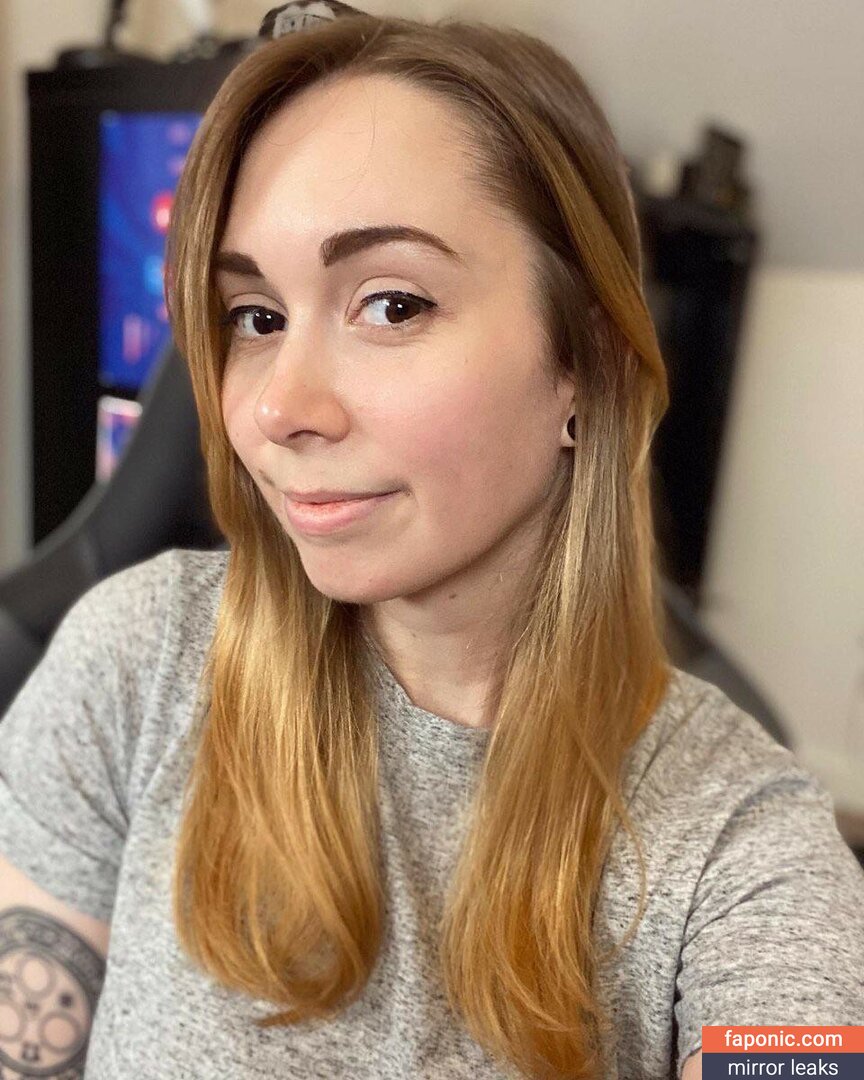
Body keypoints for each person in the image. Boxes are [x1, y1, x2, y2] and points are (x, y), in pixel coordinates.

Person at [1, 6, 862, 1079]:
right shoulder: (136, 660)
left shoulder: (746, 845)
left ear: (585, 362)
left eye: (393, 304)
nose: (277, 409)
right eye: (256, 317)